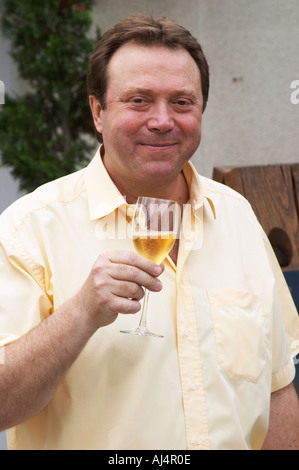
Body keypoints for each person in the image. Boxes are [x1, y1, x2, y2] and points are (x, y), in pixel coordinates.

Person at [0, 14, 298, 451]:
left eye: (181, 102)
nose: (162, 120)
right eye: (138, 100)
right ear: (98, 112)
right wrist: (81, 313)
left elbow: (276, 388)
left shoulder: (237, 216)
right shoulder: (30, 228)